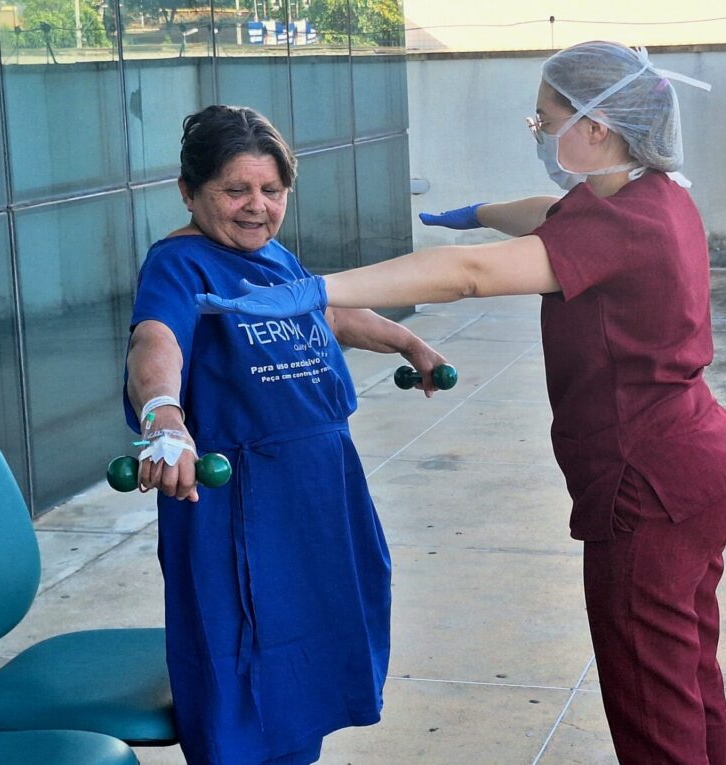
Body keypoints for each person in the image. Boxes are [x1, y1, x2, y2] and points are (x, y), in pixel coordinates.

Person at [197, 41, 726, 765]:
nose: (538, 132)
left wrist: (318, 289)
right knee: (687, 674)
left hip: (649, 484)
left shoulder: (622, 224)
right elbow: (553, 211)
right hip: (704, 464)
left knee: (652, 699)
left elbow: (467, 277)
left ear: (596, 127)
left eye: (546, 119)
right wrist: (481, 210)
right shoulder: (654, 195)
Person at [123, 104, 447, 764]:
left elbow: (324, 309)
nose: (256, 207)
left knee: (309, 667)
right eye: (235, 190)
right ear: (190, 191)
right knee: (240, 673)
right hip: (238, 503)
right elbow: (154, 340)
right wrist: (165, 416)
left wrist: (409, 342)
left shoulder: (271, 257)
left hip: (317, 494)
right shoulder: (180, 265)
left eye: (271, 191)